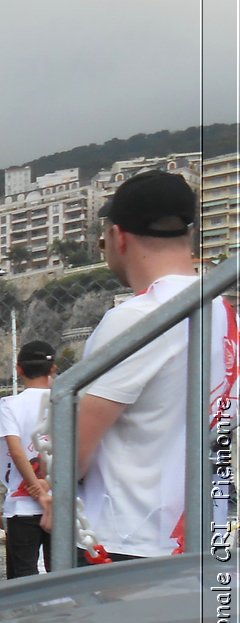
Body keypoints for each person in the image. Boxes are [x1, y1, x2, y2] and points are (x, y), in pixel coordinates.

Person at [77, 170, 233, 563]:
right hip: (197, 540)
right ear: (189, 234)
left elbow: (73, 451)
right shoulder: (224, 314)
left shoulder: (135, 319)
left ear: (118, 237)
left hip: (123, 543)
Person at [0, 340, 57, 577]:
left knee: (23, 573)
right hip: (60, 501)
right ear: (53, 369)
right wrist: (47, 486)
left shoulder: (9, 405)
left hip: (21, 506)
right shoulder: (66, 401)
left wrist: (36, 490)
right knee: (61, 573)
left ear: (19, 369)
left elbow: (17, 451)